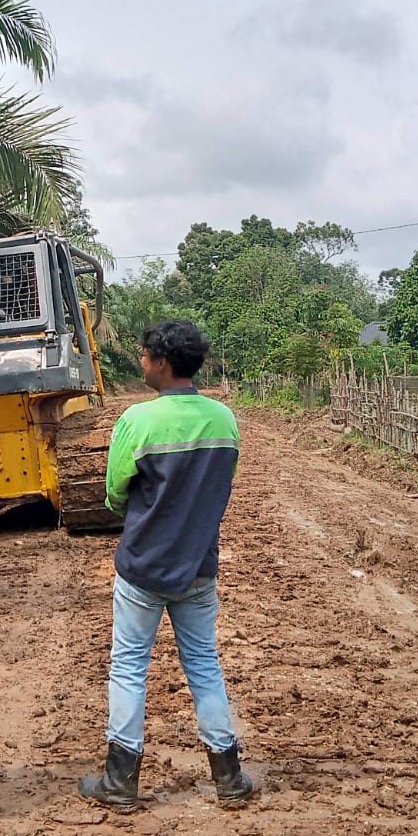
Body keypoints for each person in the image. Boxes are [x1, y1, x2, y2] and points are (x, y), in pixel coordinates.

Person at [78, 319, 257, 811]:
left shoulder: (138, 420)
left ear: (160, 361)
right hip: (199, 565)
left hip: (143, 567)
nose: (140, 362)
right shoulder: (223, 419)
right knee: (203, 663)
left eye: (143, 355)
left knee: (129, 666)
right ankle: (228, 776)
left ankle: (120, 780)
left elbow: (115, 493)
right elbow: (222, 483)